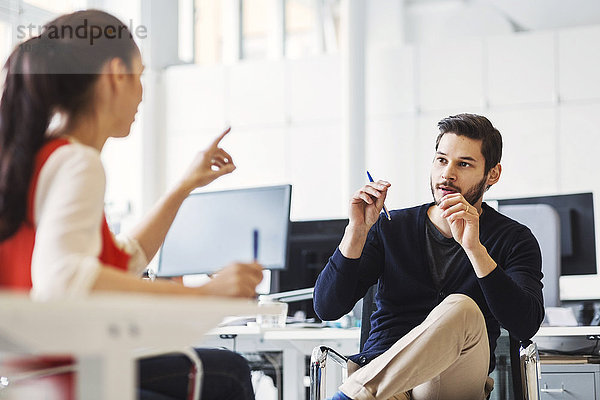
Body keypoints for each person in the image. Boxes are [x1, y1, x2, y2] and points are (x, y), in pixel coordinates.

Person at [0, 10, 262, 400]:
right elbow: (66, 280)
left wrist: (183, 186)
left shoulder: (40, 157)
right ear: (114, 75)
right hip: (66, 381)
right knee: (227, 375)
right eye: (139, 76)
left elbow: (118, 261)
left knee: (227, 369)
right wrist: (204, 295)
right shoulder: (78, 162)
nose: (142, 92)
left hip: (35, 377)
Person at [314, 114, 544, 400]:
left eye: (463, 164)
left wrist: (475, 249)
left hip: (453, 378)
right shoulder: (390, 227)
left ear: (492, 174)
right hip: (386, 380)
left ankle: (352, 396)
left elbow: (525, 324)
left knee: (462, 308)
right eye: (441, 160)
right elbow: (327, 308)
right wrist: (356, 231)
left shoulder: (514, 238)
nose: (447, 174)